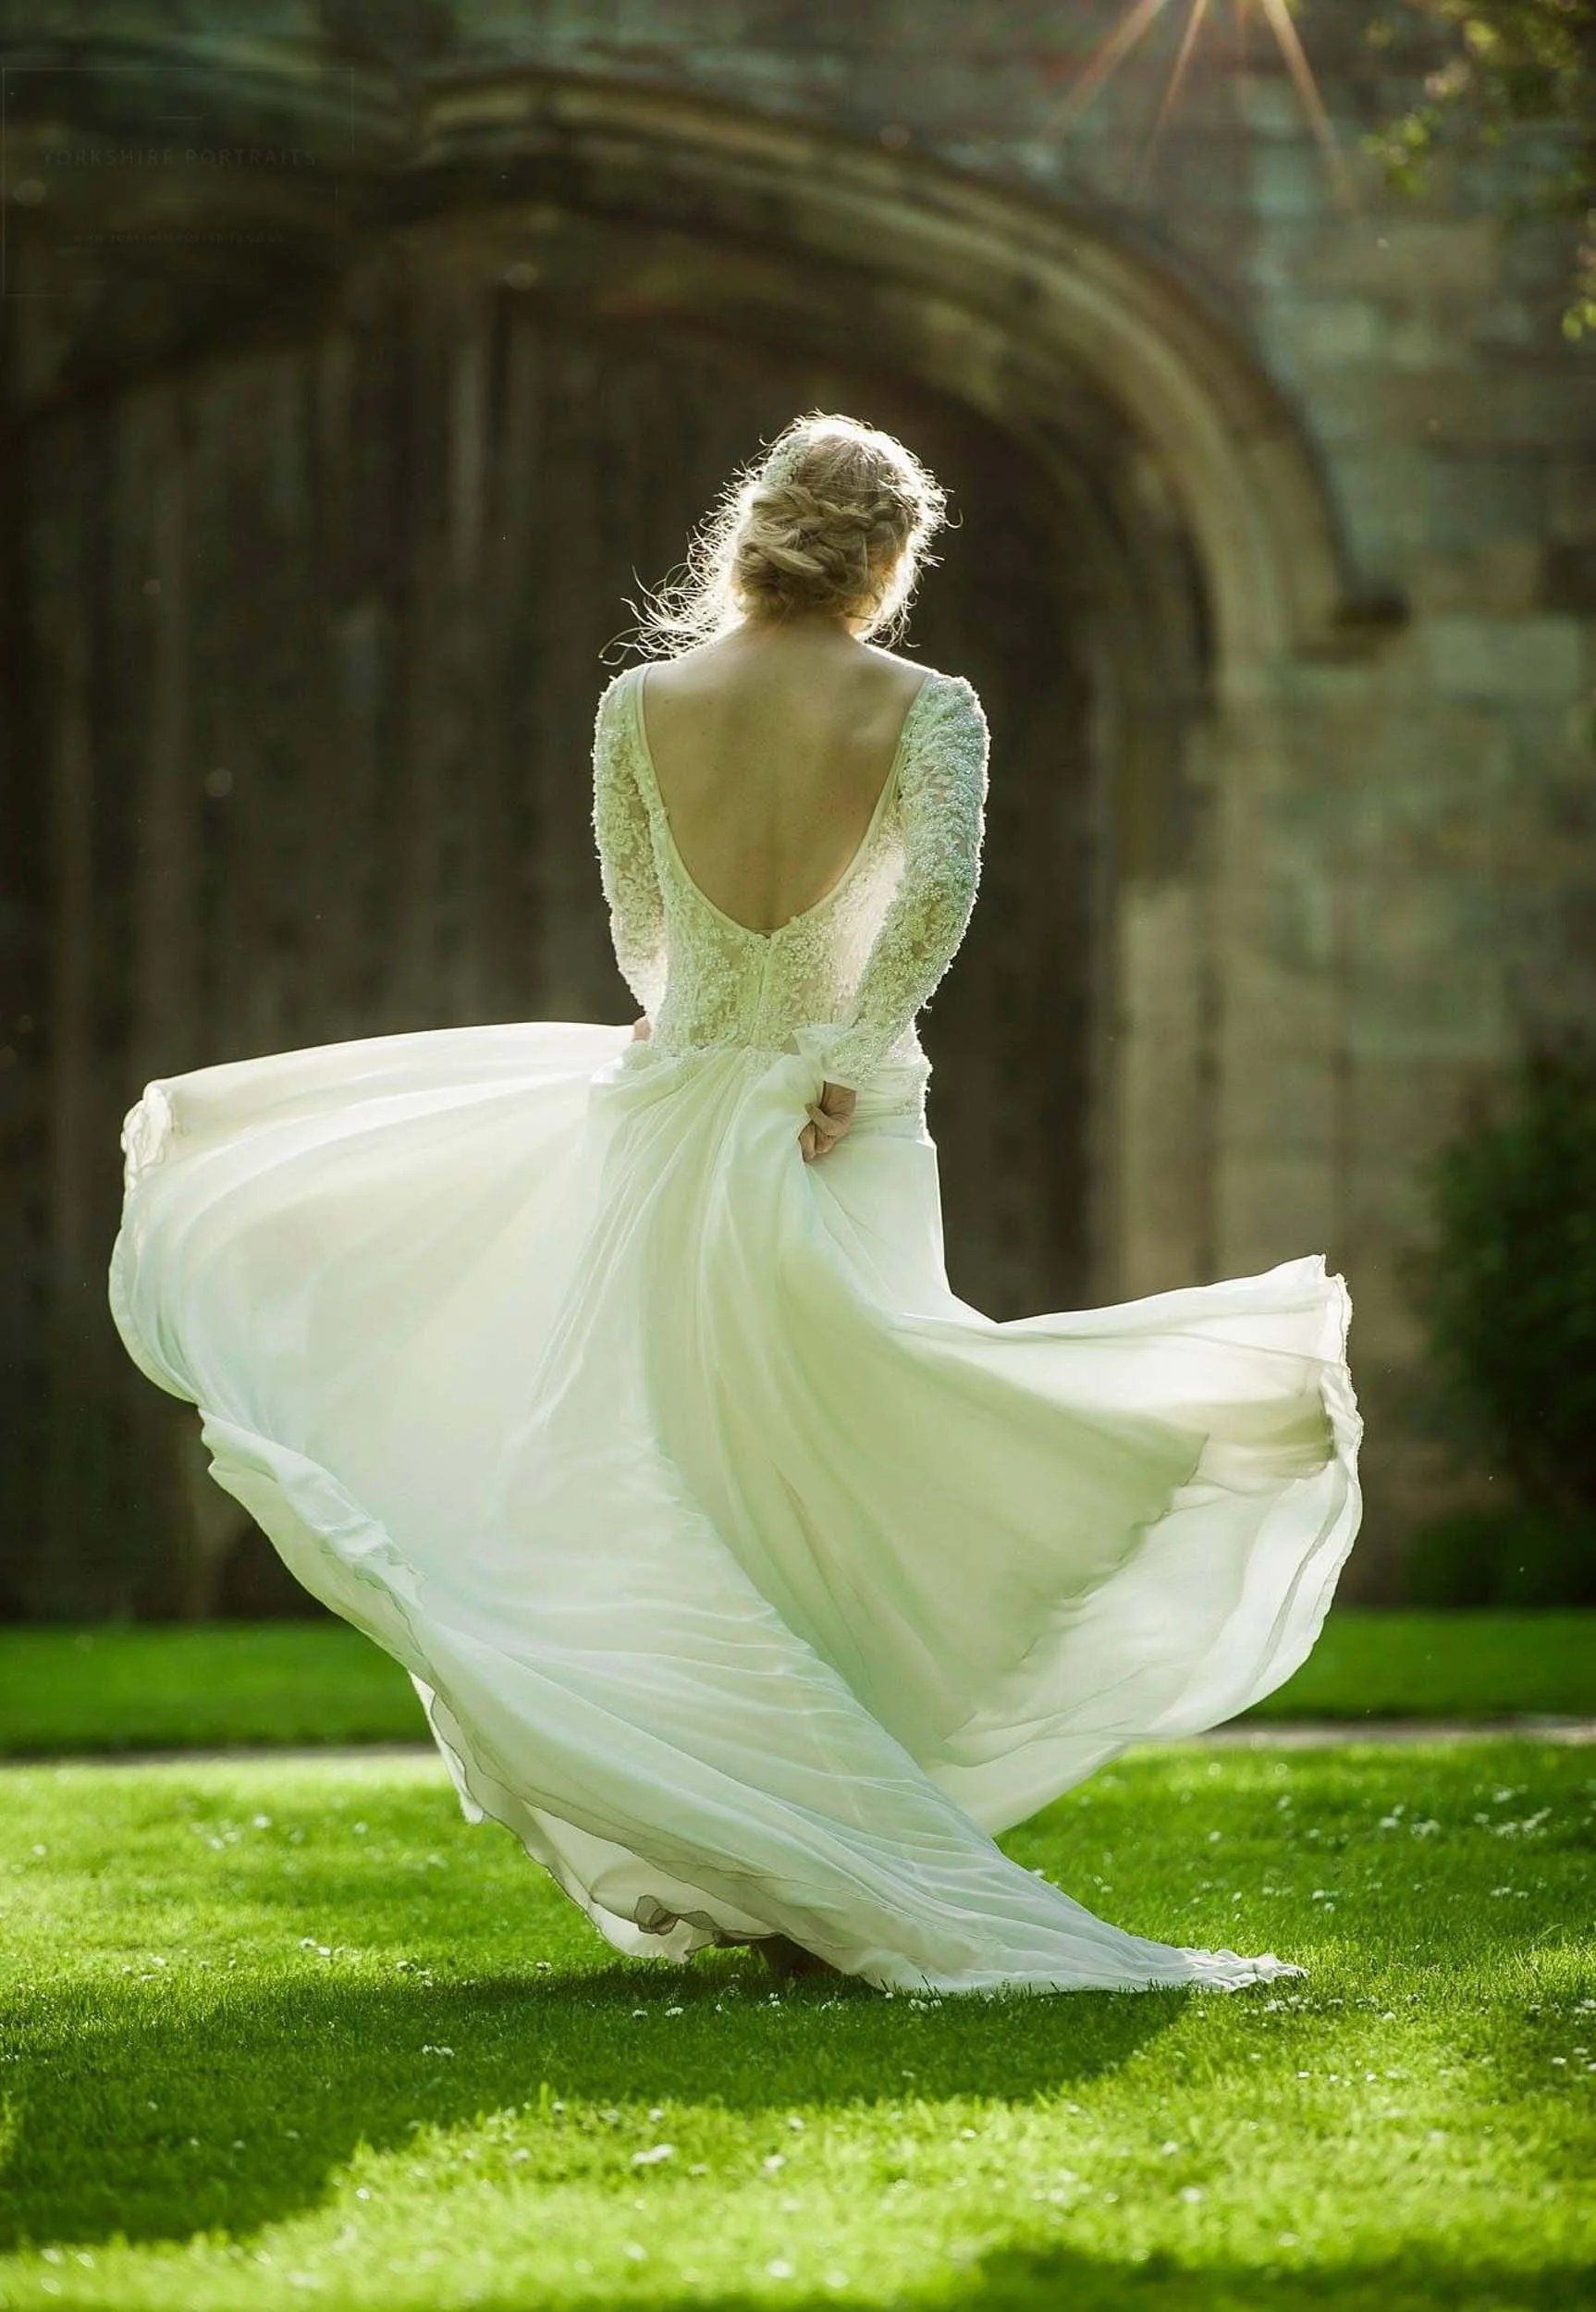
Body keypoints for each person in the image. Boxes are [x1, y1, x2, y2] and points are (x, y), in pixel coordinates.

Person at [109, 412, 1361, 1997]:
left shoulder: (645, 703)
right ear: (891, 557)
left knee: (687, 1463)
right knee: (851, 1444)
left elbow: (639, 922)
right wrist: (838, 1049)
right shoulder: (928, 707)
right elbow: (940, 897)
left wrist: (712, 1026)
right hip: (846, 1111)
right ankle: (836, 1800)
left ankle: (786, 1837)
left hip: (679, 1102)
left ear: (753, 535)